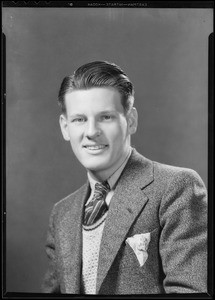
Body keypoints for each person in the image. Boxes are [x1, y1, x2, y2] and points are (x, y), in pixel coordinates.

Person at [42, 61, 207, 295]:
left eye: (106, 117)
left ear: (130, 120)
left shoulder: (176, 188)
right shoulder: (62, 213)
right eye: (79, 119)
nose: (91, 132)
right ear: (65, 127)